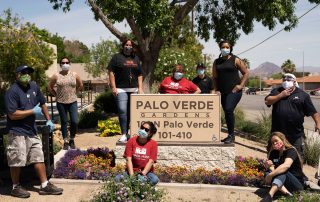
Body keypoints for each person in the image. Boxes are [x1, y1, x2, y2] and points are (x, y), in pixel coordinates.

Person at [5, 65, 63, 198]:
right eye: (24, 72)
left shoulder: (34, 86)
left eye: (29, 72)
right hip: (17, 131)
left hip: (32, 130)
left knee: (38, 156)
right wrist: (32, 111)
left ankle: (44, 185)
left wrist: (49, 120)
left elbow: (42, 103)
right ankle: (15, 187)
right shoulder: (12, 92)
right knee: (17, 159)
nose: (27, 75)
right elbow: (12, 114)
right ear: (17, 75)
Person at [265, 73, 320, 158]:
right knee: (275, 159)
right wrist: (280, 95)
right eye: (284, 80)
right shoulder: (276, 91)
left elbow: (313, 111)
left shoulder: (303, 95)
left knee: (297, 159)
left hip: (296, 135)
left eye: (289, 80)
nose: (286, 82)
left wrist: (318, 123)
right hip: (277, 134)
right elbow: (267, 101)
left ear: (294, 82)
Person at [212, 40, 249, 144]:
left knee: (228, 109)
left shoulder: (235, 59)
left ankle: (231, 135)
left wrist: (240, 85)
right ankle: (230, 135)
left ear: (230, 48)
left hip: (234, 91)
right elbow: (214, 77)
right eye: (223, 47)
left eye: (227, 47)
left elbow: (246, 73)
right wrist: (217, 89)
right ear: (220, 48)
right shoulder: (216, 62)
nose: (225, 49)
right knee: (227, 113)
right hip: (223, 92)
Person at [108, 39, 144, 143]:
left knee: (133, 112)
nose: (128, 46)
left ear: (132, 47)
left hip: (134, 89)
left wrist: (140, 88)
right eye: (126, 45)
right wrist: (113, 87)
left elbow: (140, 74)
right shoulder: (116, 57)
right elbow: (111, 72)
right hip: (121, 89)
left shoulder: (136, 58)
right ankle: (124, 134)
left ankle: (133, 133)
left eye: (130, 45)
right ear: (123, 46)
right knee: (122, 110)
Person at [49, 57, 83, 150]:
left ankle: (72, 139)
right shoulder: (56, 75)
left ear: (69, 63)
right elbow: (50, 87)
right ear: (60, 64)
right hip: (61, 102)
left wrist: (75, 92)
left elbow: (80, 85)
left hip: (72, 101)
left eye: (67, 62)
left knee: (74, 121)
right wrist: (56, 95)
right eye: (63, 62)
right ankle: (65, 141)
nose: (65, 64)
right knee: (64, 122)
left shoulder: (74, 74)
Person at [262, 132, 307, 202]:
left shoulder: (291, 150)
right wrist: (268, 166)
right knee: (268, 172)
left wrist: (270, 175)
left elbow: (286, 166)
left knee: (282, 170)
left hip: (296, 184)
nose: (274, 144)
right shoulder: (274, 153)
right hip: (282, 183)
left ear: (282, 140)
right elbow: (273, 169)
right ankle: (288, 194)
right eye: (272, 142)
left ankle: (270, 195)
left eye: (276, 141)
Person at [115, 121, 159, 186]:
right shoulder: (131, 141)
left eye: (146, 130)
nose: (143, 130)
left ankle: (144, 191)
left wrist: (142, 174)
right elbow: (128, 159)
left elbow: (151, 161)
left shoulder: (153, 144)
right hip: (131, 171)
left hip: (146, 173)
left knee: (154, 179)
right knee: (117, 179)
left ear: (150, 133)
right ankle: (129, 190)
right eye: (142, 128)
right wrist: (132, 176)